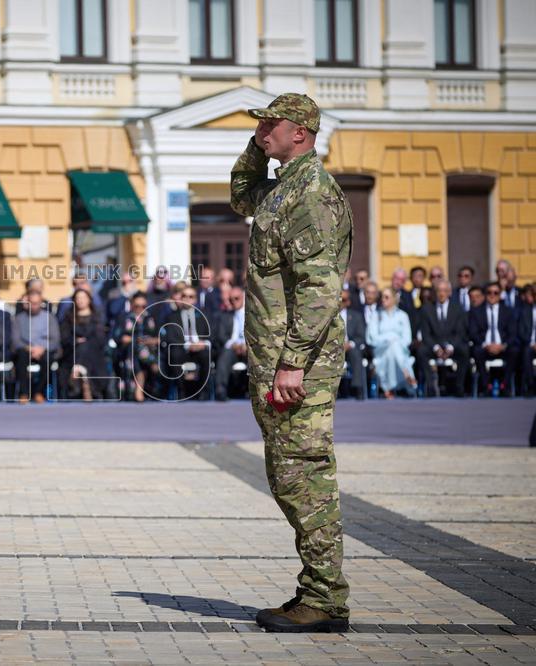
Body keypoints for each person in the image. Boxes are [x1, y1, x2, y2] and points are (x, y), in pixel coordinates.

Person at [232, 92, 351, 632]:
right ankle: (318, 591)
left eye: (270, 126)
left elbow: (320, 287)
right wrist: (257, 144)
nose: (261, 133)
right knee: (289, 477)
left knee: (303, 477)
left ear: (300, 132)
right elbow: (240, 195)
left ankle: (325, 600)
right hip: (278, 358)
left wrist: (293, 364)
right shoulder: (283, 188)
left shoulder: (311, 195)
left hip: (298, 364)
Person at [415, 279, 469, 397]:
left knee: (464, 351)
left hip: (451, 345)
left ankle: (459, 386)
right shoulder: (427, 309)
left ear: (449, 292)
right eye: (439, 291)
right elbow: (426, 334)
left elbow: (460, 333)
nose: (441, 294)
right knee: (421, 351)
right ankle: (430, 386)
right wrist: (436, 348)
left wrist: (450, 347)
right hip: (434, 345)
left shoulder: (458, 309)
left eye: (445, 291)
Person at [160, 285, 211, 399]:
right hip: (182, 348)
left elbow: (211, 335)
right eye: (184, 296)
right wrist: (188, 345)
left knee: (206, 355)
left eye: (191, 296)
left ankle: (203, 391)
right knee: (174, 354)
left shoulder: (203, 315)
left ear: (195, 299)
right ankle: (181, 390)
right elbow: (171, 337)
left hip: (199, 348)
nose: (187, 299)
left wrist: (203, 344)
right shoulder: (172, 317)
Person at [469, 281, 518, 397]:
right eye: (489, 292)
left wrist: (502, 346)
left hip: (503, 346)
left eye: (496, 293)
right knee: (476, 351)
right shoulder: (476, 311)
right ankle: (486, 386)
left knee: (515, 350)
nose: (492, 295)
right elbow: (473, 332)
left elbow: (512, 333)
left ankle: (505, 385)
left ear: (500, 294)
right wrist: (486, 344)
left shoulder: (508, 311)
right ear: (485, 295)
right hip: (484, 347)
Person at [366, 288, 416, 398]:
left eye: (386, 297)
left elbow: (407, 338)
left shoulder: (403, 315)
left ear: (394, 299)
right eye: (382, 297)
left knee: (393, 348)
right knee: (392, 345)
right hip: (380, 349)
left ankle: (387, 388)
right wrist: (389, 340)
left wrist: (395, 342)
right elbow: (371, 338)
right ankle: (406, 372)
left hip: (399, 349)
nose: (383, 300)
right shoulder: (376, 315)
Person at [12, 290, 60, 404]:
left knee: (48, 358)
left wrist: (42, 348)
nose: (33, 306)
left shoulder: (49, 318)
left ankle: (39, 392)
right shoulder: (19, 319)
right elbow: (15, 340)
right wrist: (29, 348)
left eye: (36, 303)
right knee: (21, 357)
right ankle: (24, 393)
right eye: (31, 303)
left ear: (41, 303)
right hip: (25, 350)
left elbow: (55, 339)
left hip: (44, 350)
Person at [59, 288, 107, 401]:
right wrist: (75, 341)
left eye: (83, 298)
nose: (80, 300)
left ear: (89, 300)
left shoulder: (96, 317)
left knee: (86, 347)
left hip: (94, 353)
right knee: (81, 347)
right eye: (78, 298)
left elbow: (100, 338)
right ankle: (86, 385)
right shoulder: (68, 317)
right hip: (72, 351)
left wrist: (87, 342)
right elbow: (64, 337)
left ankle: (78, 375)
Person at [112, 291, 160, 402]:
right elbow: (117, 336)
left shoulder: (151, 318)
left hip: (150, 349)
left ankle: (141, 380)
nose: (140, 309)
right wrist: (132, 340)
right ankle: (148, 368)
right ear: (131, 305)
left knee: (138, 347)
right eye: (137, 306)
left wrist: (150, 341)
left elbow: (161, 336)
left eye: (143, 306)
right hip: (128, 351)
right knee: (134, 346)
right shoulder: (124, 317)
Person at [213, 287, 246, 401]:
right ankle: (220, 390)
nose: (233, 302)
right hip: (232, 347)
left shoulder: (251, 315)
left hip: (249, 347)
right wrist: (234, 345)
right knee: (225, 356)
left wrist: (246, 345)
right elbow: (222, 336)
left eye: (236, 298)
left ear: (243, 298)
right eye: (231, 299)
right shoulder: (226, 316)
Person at [339, 290, 366, 398]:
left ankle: (357, 388)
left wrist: (350, 344)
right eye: (339, 299)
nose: (340, 302)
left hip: (350, 347)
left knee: (355, 353)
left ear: (348, 302)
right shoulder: (330, 316)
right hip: (334, 347)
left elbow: (361, 336)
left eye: (343, 300)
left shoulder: (356, 316)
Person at [517, 284, 536, 396]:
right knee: (526, 352)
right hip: (530, 344)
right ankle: (531, 386)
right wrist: (532, 343)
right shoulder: (525, 310)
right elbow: (521, 331)